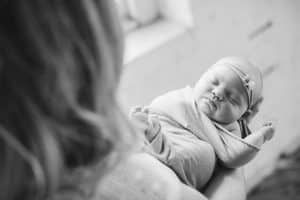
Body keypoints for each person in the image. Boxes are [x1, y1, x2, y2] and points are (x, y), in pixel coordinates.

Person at [0, 1, 251, 200]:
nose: (219, 92)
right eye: (215, 81)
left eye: (233, 96)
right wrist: (231, 160)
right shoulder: (124, 182)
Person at [131, 57, 275, 191]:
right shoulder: (187, 95)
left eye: (232, 99)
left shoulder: (230, 128)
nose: (217, 93)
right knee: (146, 118)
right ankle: (145, 133)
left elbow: (236, 155)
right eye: (214, 82)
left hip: (182, 151)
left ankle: (153, 139)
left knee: (206, 155)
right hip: (161, 127)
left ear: (243, 114)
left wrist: (261, 136)